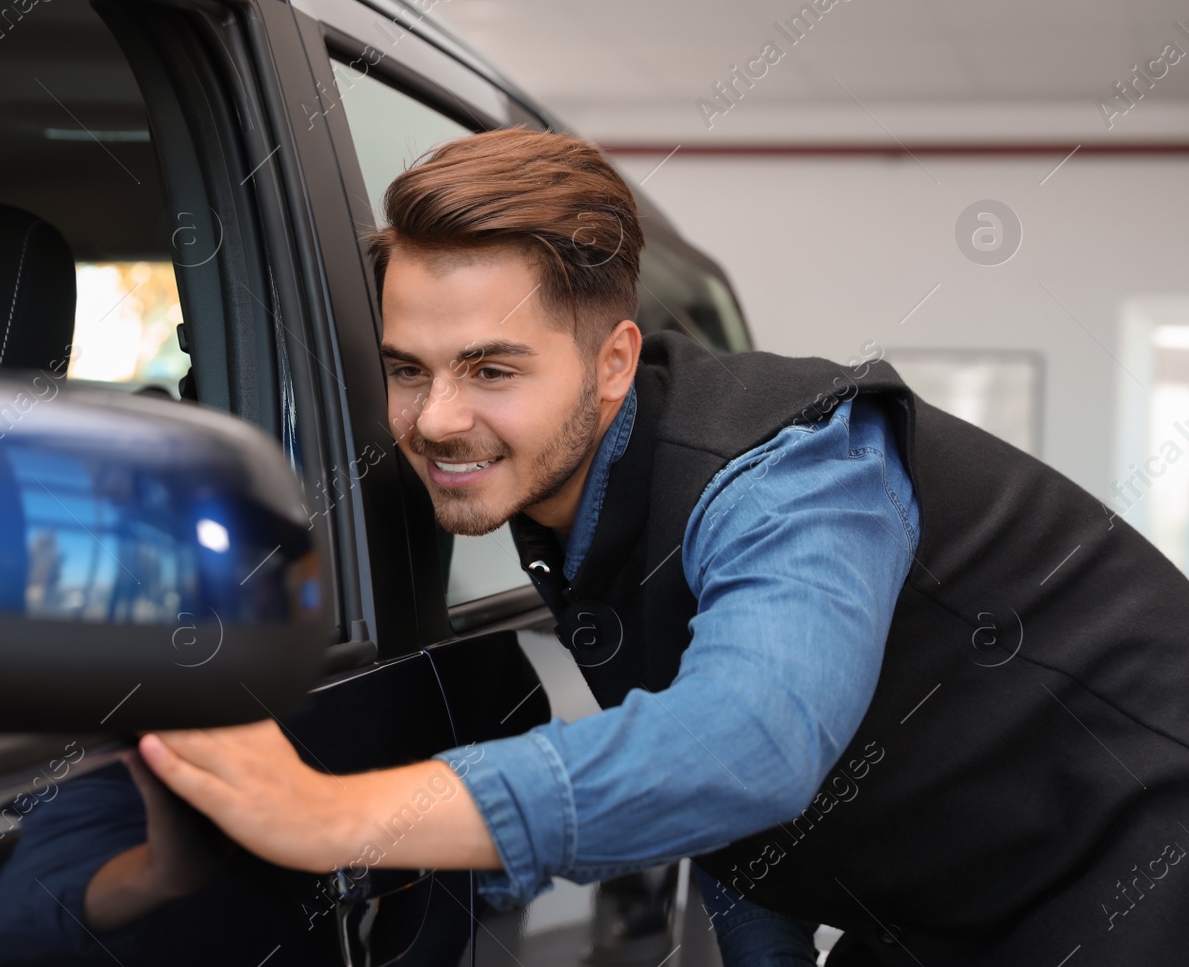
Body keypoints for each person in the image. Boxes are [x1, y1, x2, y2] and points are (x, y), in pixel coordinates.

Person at [127, 128, 1189, 965]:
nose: (438, 419)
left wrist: (332, 813)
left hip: (1141, 859)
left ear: (611, 361)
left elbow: (745, 745)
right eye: (408, 368)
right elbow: (732, 789)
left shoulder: (796, 471)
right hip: (957, 897)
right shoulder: (575, 494)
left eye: (492, 370)